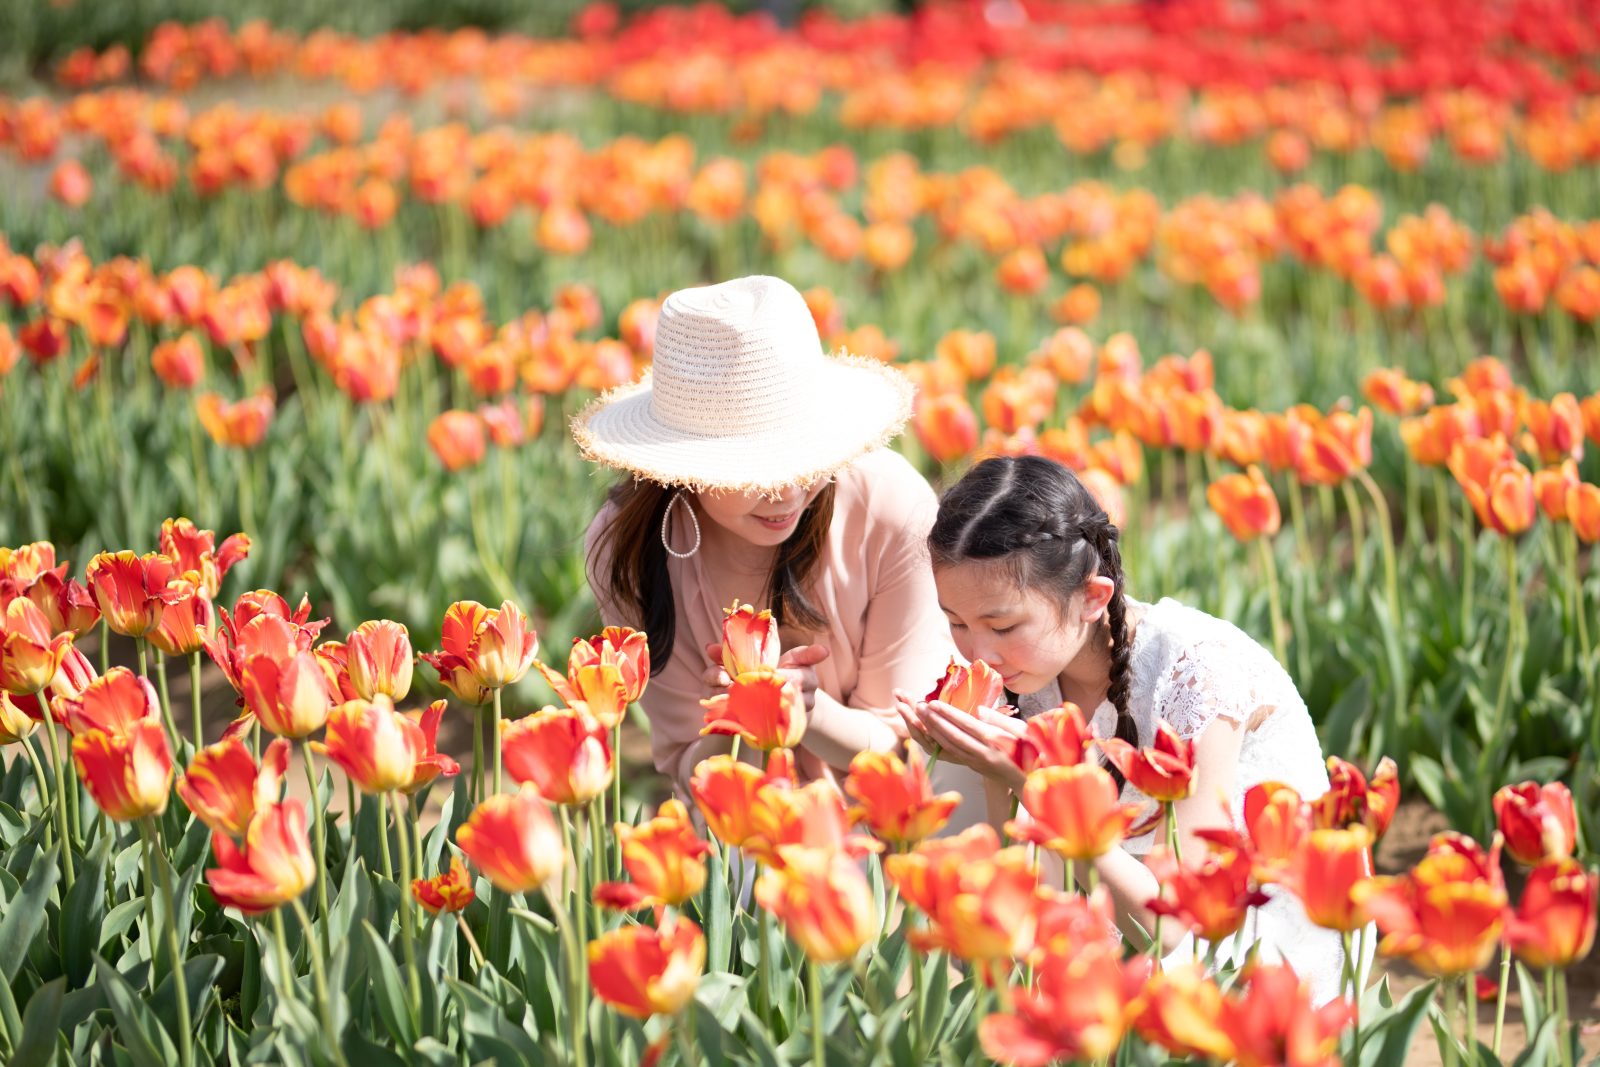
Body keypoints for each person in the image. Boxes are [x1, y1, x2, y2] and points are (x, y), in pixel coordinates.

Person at [895, 454, 1348, 1004]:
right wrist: (994, 772)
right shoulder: (1024, 670)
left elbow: (1174, 929)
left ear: (1092, 598)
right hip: (1118, 909)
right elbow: (1026, 882)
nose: (977, 652)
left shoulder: (1196, 672)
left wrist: (1035, 786)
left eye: (1002, 625)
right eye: (956, 622)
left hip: (1247, 943)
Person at [577, 274, 988, 827]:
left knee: (960, 774)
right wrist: (736, 721)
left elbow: (904, 751)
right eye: (754, 469)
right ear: (684, 465)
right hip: (749, 809)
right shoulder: (629, 552)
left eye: (804, 456)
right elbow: (691, 774)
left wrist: (807, 712)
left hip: (903, 798)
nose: (789, 490)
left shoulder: (890, 507)